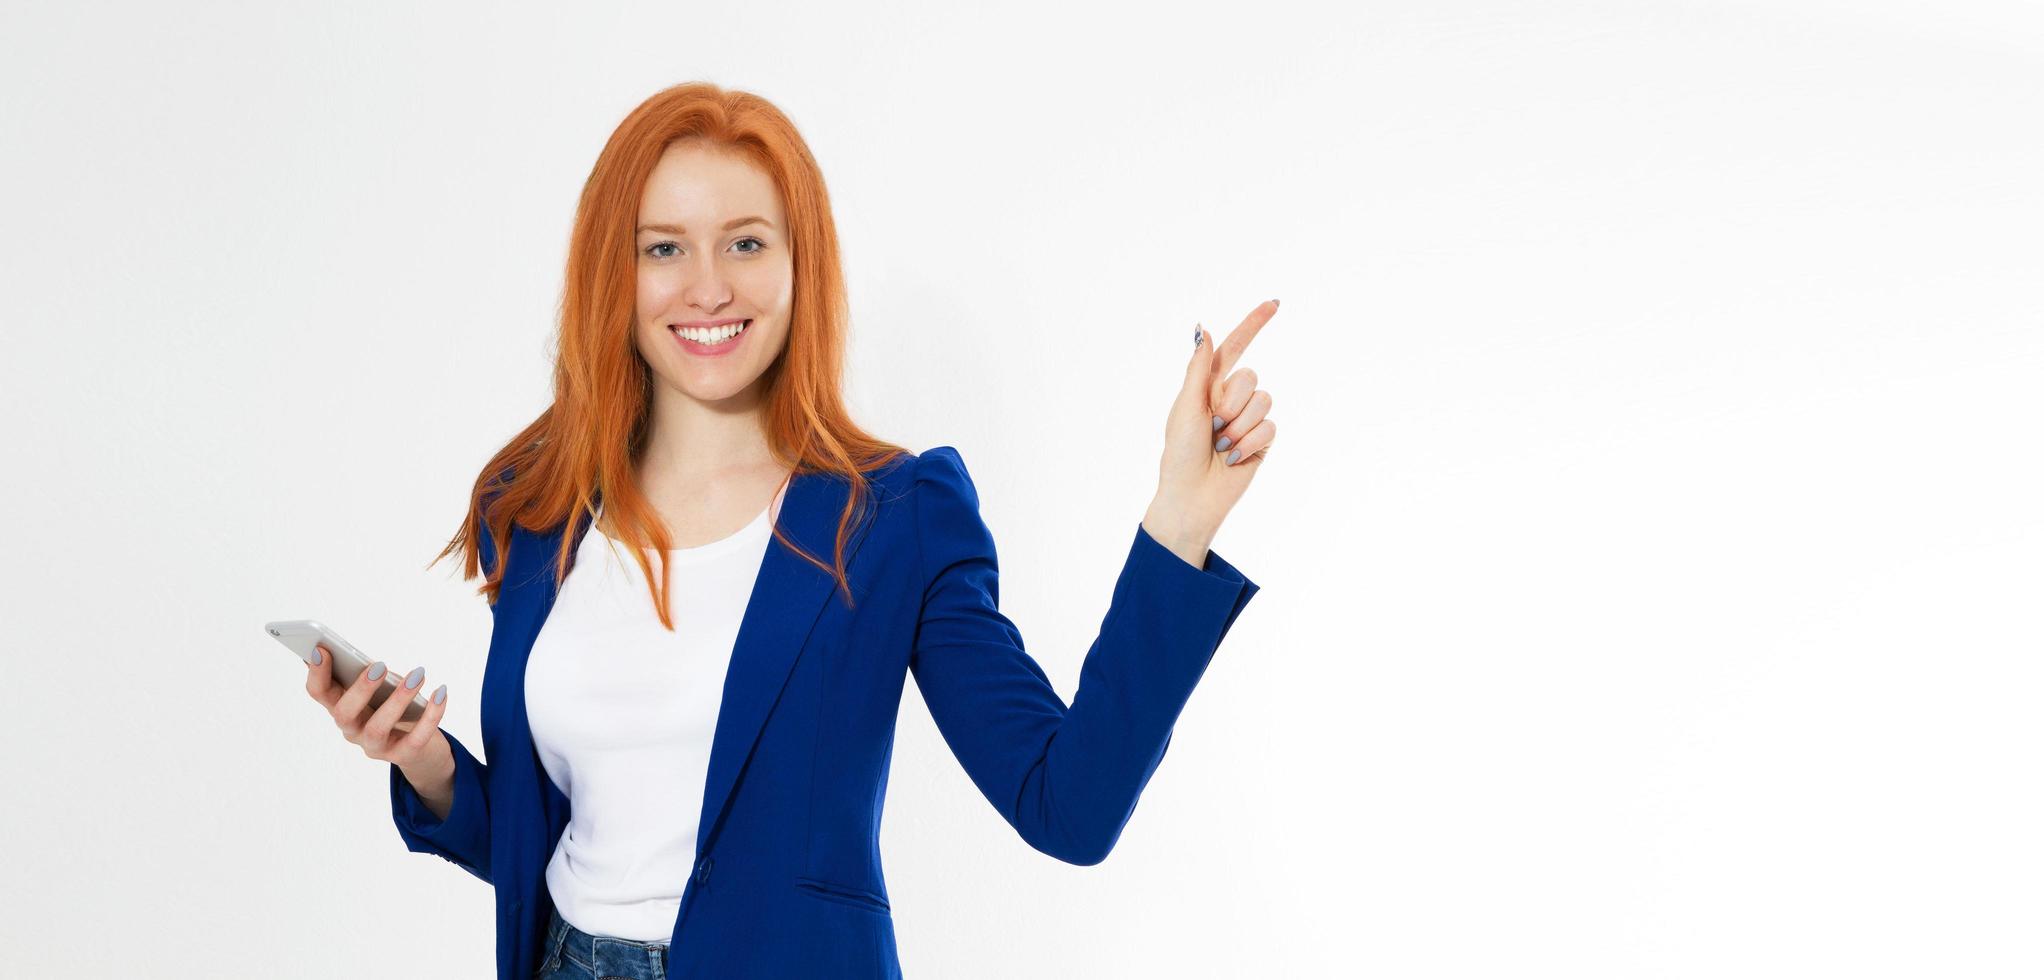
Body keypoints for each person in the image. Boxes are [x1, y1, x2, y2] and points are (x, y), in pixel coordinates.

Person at [301, 81, 1276, 980]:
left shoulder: (895, 513)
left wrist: (1180, 518)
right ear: (615, 273)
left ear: (800, 263)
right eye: (663, 246)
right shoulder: (543, 507)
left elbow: (1069, 803)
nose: (709, 286)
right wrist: (421, 758)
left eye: (747, 242)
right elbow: (543, 838)